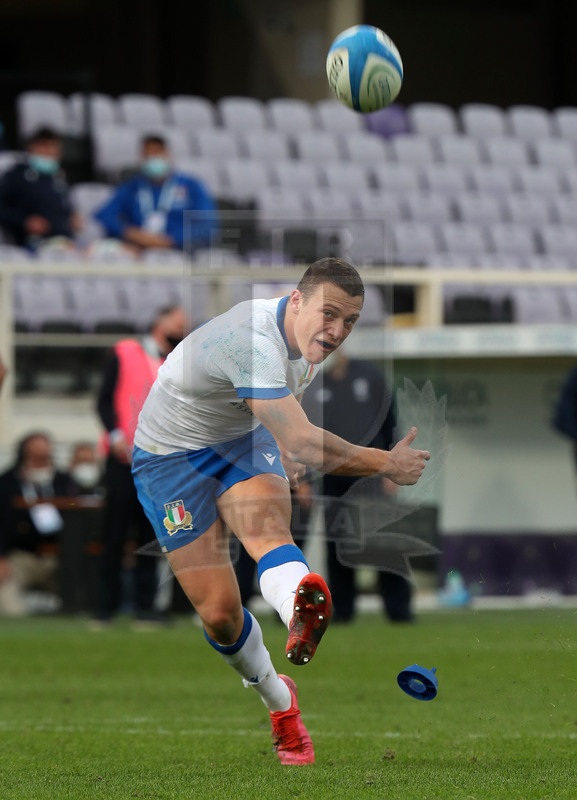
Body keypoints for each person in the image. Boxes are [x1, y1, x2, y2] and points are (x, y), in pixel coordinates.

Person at [131, 257, 430, 765]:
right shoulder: (251, 341)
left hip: (241, 443)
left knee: (269, 531)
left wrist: (282, 451)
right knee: (220, 615)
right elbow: (302, 438)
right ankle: (280, 701)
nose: (337, 331)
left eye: (350, 321)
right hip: (169, 457)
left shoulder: (308, 344)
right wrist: (386, 462)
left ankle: (298, 611)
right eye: (329, 314)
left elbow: (282, 413)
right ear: (296, 301)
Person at [302, 349, 414, 623]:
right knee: (338, 545)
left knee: (384, 544)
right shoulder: (310, 384)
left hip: (372, 472)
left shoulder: (371, 376)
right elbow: (300, 438)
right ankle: (343, 611)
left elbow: (391, 424)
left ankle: (399, 610)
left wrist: (393, 469)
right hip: (331, 477)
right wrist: (303, 480)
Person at [94, 305, 187, 627]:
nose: (183, 328)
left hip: (161, 463)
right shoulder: (125, 352)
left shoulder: (179, 362)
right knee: (115, 532)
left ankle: (145, 607)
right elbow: (104, 400)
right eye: (178, 322)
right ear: (160, 322)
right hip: (123, 460)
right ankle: (105, 608)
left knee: (153, 535)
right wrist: (115, 434)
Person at [95, 134, 218, 253]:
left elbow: (206, 224)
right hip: (139, 249)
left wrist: (171, 239)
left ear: (167, 155)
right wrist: (130, 232)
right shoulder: (132, 187)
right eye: (148, 155)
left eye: (157, 153)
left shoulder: (191, 185)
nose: (152, 159)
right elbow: (104, 215)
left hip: (179, 250)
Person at [0, 432, 73, 616]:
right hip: (20, 557)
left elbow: (76, 515)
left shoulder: (64, 481)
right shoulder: (7, 482)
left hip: (58, 557)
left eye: (44, 458)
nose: (40, 463)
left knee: (78, 591)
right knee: (8, 597)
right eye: (35, 458)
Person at [0, 127, 77, 249]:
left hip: (65, 243)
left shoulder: (58, 178)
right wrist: (25, 221)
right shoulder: (17, 176)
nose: (49, 152)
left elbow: (66, 208)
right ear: (32, 148)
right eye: (44, 147)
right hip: (32, 244)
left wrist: (73, 218)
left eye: (53, 147)